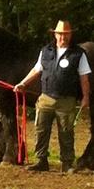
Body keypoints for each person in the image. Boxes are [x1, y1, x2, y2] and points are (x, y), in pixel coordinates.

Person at [13, 20, 91, 172]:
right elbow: (36, 70)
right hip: (46, 98)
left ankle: (67, 163)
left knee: (66, 132)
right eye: (60, 34)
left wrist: (85, 97)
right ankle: (41, 161)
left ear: (70, 35)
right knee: (41, 130)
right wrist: (23, 83)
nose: (63, 37)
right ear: (55, 34)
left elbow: (84, 78)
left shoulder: (78, 54)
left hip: (66, 100)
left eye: (66, 34)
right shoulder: (46, 51)